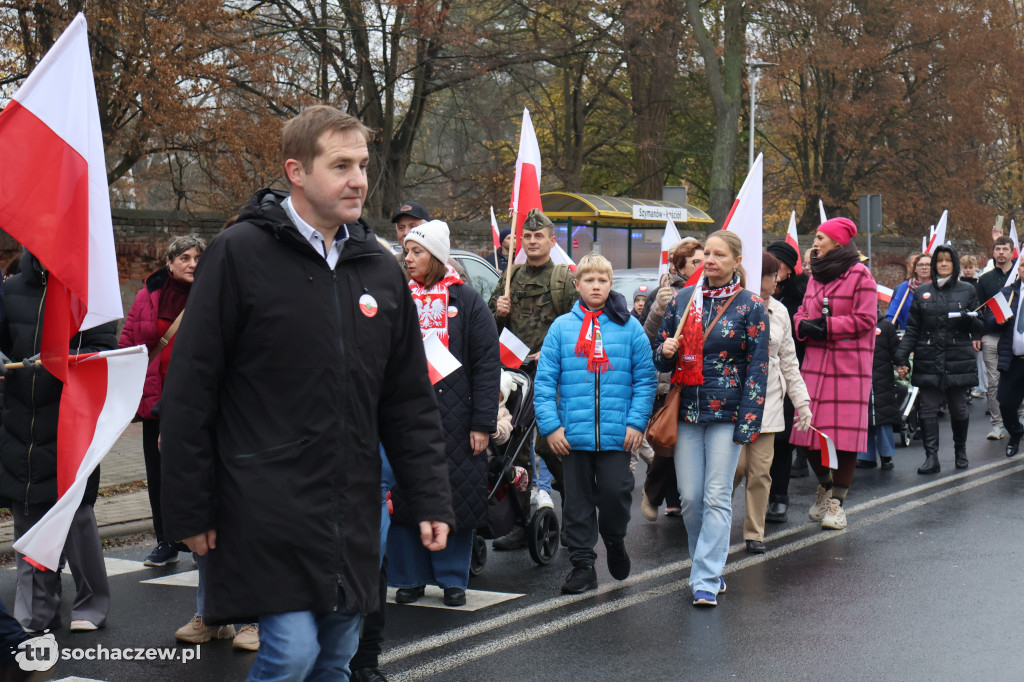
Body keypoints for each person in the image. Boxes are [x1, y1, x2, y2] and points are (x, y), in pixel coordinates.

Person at [159, 105, 455, 681]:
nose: (358, 180)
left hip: (351, 503)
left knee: (337, 655)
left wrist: (430, 497)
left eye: (363, 165)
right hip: (263, 498)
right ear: (296, 171)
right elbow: (192, 389)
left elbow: (407, 401)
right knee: (290, 652)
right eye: (340, 164)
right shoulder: (240, 253)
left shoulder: (379, 267)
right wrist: (188, 508)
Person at [0, 251, 115, 633]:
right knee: (27, 516)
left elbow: (103, 351)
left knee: (76, 516)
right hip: (20, 422)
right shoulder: (10, 289)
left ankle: (91, 604)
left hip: (69, 418)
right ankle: (35, 612)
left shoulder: (89, 295)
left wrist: (58, 360)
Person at [653, 230, 768, 607]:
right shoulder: (685, 300)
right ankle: (707, 564)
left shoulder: (751, 305)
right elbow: (661, 358)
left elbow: (758, 366)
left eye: (720, 255)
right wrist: (665, 350)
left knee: (717, 496)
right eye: (707, 254)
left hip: (728, 413)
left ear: (737, 261)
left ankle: (705, 576)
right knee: (690, 498)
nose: (712, 261)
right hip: (686, 411)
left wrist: (749, 420)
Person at [388, 220, 499, 608]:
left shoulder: (467, 302)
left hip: (458, 417)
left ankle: (452, 578)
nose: (409, 258)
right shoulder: (399, 300)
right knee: (406, 494)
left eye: (416, 252)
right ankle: (410, 576)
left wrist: (483, 422)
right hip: (407, 415)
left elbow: (487, 364)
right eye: (406, 252)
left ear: (436, 256)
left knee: (456, 495)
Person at [534, 254, 656, 594]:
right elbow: (544, 383)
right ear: (577, 285)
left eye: (603, 280)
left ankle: (614, 540)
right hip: (572, 435)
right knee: (577, 501)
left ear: (610, 284)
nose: (596, 285)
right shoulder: (561, 328)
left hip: (618, 434)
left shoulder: (630, 327)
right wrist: (551, 426)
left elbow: (645, 380)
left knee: (617, 491)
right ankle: (583, 565)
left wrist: (636, 422)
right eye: (589, 280)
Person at [487, 208, 578, 550]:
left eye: (539, 236)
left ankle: (575, 510)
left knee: (549, 444)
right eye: (527, 236)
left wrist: (552, 353)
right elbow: (486, 328)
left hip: (552, 374)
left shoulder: (563, 280)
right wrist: (499, 312)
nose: (532, 241)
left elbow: (578, 326)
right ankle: (522, 522)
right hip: (514, 375)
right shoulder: (511, 277)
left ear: (552, 242)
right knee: (514, 449)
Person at [119, 234, 205, 568]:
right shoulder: (148, 296)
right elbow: (128, 342)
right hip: (156, 398)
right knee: (158, 474)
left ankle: (200, 541)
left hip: (195, 400)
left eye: (197, 258)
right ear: (169, 263)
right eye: (185, 257)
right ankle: (165, 541)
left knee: (194, 472)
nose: (192, 264)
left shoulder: (210, 294)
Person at [791, 218, 877, 531]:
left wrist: (828, 327)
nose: (815, 243)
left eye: (820, 238)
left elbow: (866, 319)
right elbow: (803, 310)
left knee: (844, 440)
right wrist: (802, 324)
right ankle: (825, 488)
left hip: (848, 367)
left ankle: (837, 505)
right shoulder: (815, 276)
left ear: (838, 243)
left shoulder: (860, 275)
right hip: (815, 364)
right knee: (809, 433)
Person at [733, 251, 811, 554]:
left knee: (761, 472)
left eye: (776, 273)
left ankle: (755, 533)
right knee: (734, 470)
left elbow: (789, 361)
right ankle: (713, 528)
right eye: (770, 273)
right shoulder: (735, 305)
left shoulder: (779, 311)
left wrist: (802, 403)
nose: (776, 279)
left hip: (770, 402)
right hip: (736, 402)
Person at [894, 246, 981, 473]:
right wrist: (901, 355)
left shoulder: (967, 290)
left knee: (959, 409)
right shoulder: (922, 291)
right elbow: (913, 329)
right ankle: (931, 457)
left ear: (954, 264)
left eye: (947, 261)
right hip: (929, 357)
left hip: (957, 357)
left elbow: (980, 324)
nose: (943, 264)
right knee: (928, 408)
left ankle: (960, 452)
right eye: (939, 261)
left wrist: (969, 320)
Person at [640, 239, 704, 521]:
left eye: (705, 260)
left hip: (702, 381)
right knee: (668, 441)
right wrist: (657, 310)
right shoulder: (666, 294)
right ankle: (658, 494)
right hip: (669, 381)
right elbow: (645, 337)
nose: (702, 267)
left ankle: (679, 497)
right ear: (678, 266)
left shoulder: (713, 295)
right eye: (695, 262)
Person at [765, 240, 810, 522]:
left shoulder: (798, 300)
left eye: (777, 264)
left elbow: (796, 348)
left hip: (786, 377)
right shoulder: (751, 294)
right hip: (758, 379)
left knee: (781, 441)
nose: (772, 269)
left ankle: (779, 497)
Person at [976, 236, 1016, 440]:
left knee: (1018, 377)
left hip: (1016, 337)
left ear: (1012, 252)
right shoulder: (985, 280)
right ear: (993, 252)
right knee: (993, 382)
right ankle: (998, 425)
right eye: (998, 249)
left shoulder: (1019, 275)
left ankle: (1020, 416)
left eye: (1005, 249)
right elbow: (978, 310)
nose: (1001, 252)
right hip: (992, 336)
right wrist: (976, 335)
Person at [855, 312, 901, 470]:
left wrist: (901, 364)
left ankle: (886, 455)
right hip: (859, 377)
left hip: (881, 378)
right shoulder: (854, 324)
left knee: (883, 418)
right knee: (863, 419)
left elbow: (896, 349)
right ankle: (865, 456)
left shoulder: (886, 326)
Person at [993, 258, 1024, 457]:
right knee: (1006, 404)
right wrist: (998, 319)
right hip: (1013, 360)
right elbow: (988, 320)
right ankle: (1016, 433)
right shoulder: (1007, 293)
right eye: (1023, 265)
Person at [886, 252, 931, 331]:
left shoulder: (939, 287)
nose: (924, 267)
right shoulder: (905, 287)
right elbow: (893, 314)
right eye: (920, 265)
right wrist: (888, 330)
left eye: (928, 264)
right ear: (915, 269)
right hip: (908, 335)